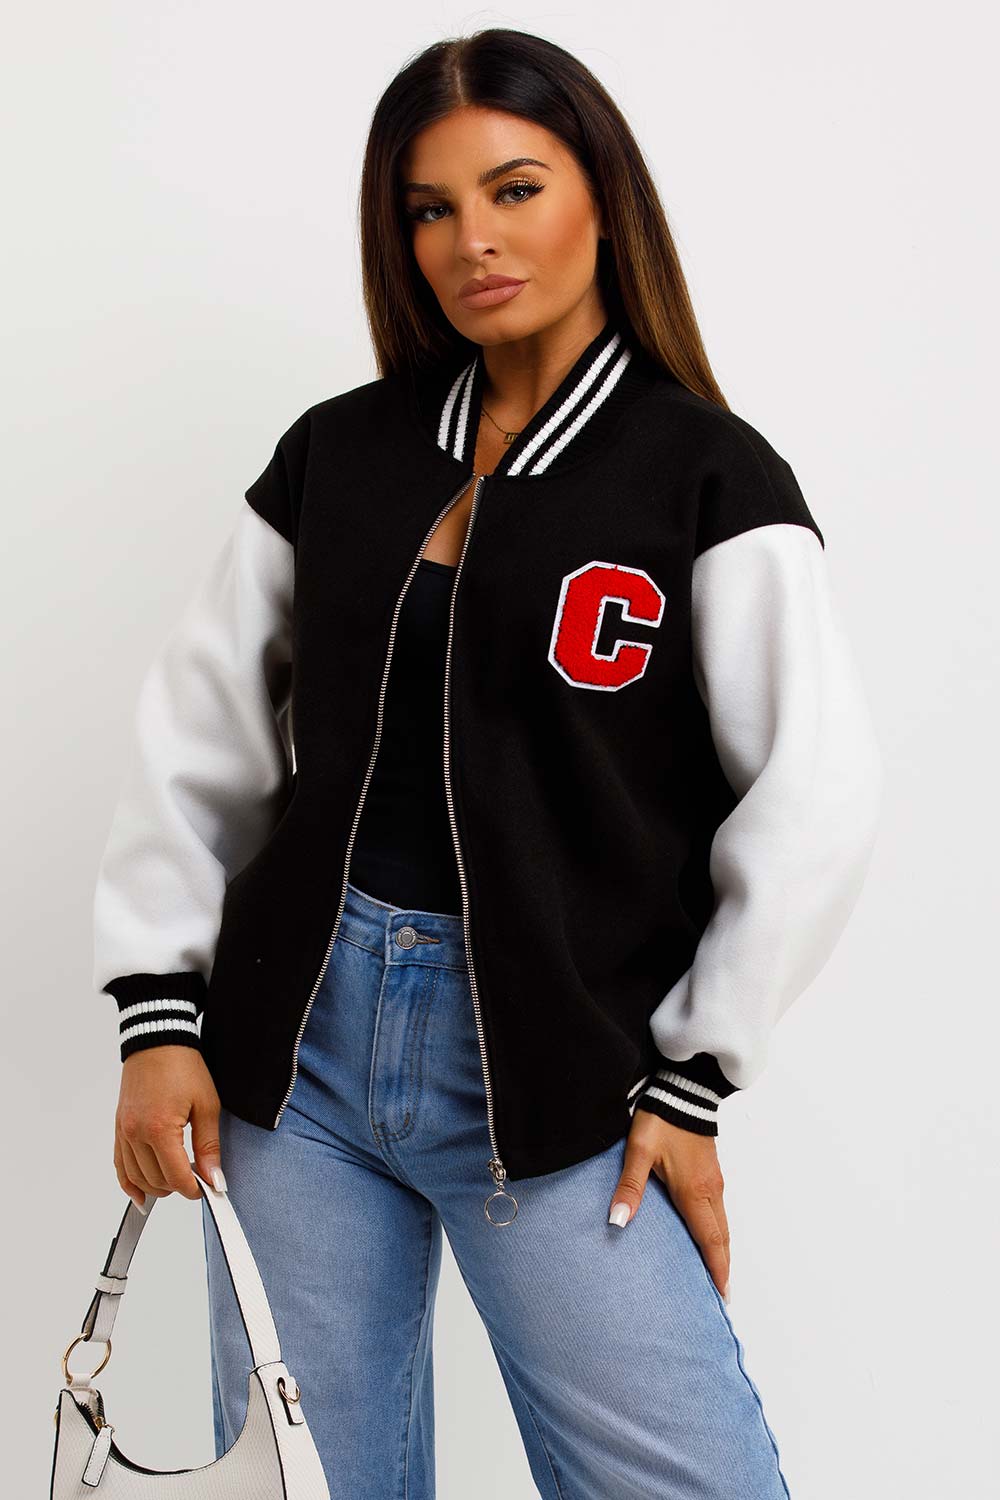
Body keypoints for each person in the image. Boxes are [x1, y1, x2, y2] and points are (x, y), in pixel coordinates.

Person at [91, 27, 883, 1499]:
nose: (474, 240)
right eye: (430, 209)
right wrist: (158, 1019)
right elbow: (199, 736)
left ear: (604, 199)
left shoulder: (709, 478)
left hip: (557, 1067)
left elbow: (816, 794)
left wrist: (693, 1078)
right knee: (306, 1483)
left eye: (515, 189)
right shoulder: (338, 456)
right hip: (292, 1063)